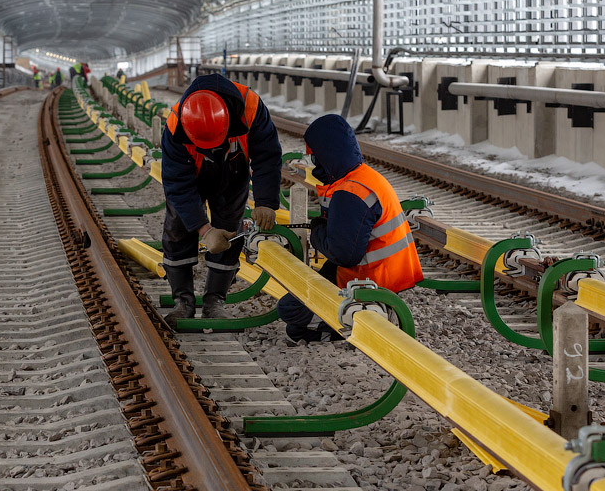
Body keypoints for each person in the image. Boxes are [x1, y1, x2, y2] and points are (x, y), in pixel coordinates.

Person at [277, 114, 424, 344]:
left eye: (313, 155)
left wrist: (316, 233)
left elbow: (344, 254)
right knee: (296, 327)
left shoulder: (351, 192)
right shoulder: (360, 176)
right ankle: (349, 326)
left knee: (290, 310)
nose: (312, 161)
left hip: (370, 284)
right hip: (377, 275)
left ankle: (368, 321)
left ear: (324, 154)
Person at [161, 74, 282, 324]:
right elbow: (178, 185)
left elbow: (267, 157)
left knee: (230, 229)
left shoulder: (251, 107)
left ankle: (214, 301)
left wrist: (266, 202)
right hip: (190, 174)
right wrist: (204, 231)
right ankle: (183, 301)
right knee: (178, 228)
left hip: (233, 169)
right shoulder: (175, 125)